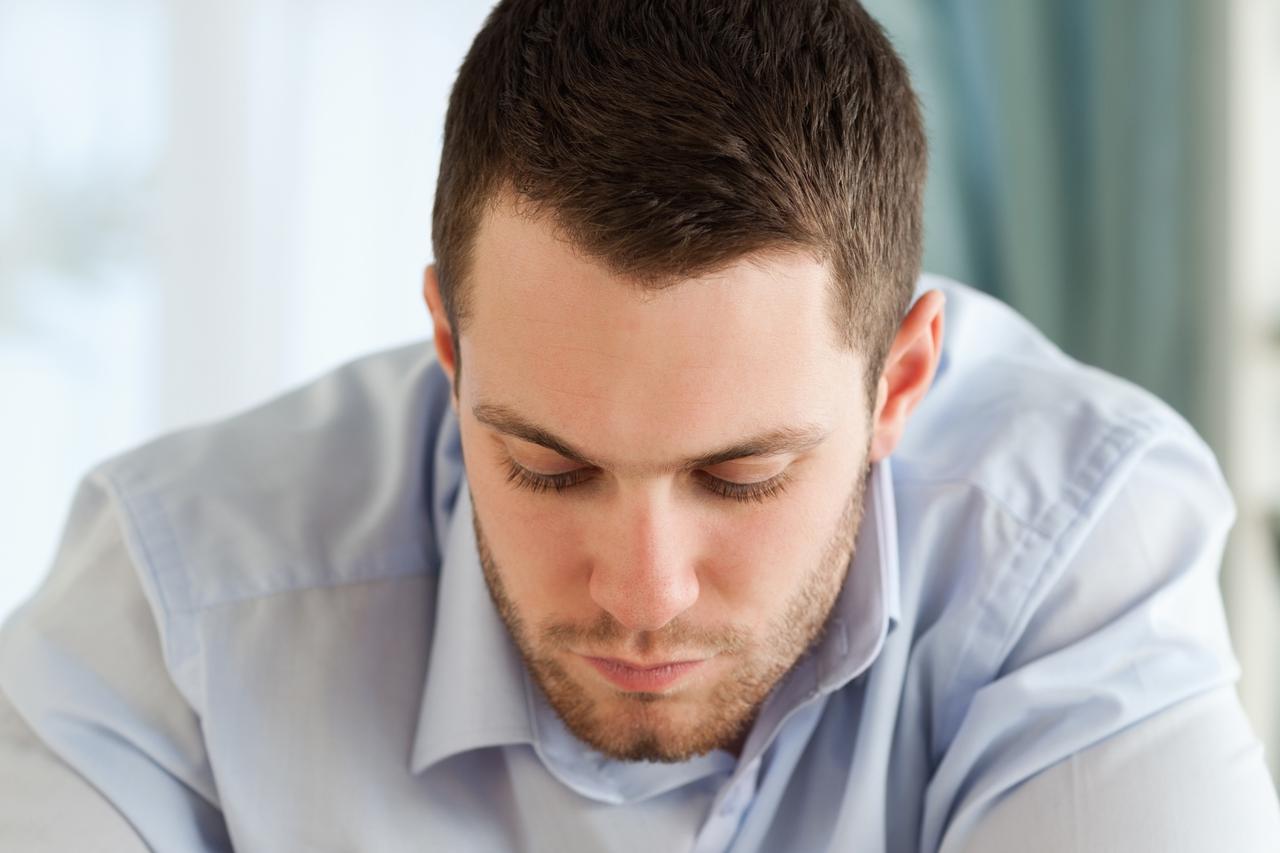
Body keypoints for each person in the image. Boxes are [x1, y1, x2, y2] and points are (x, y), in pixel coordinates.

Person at [2, 0, 1278, 850]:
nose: (642, 591)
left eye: (741, 477)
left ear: (896, 385)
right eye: (546, 468)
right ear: (449, 351)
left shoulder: (1066, 545)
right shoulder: (179, 605)